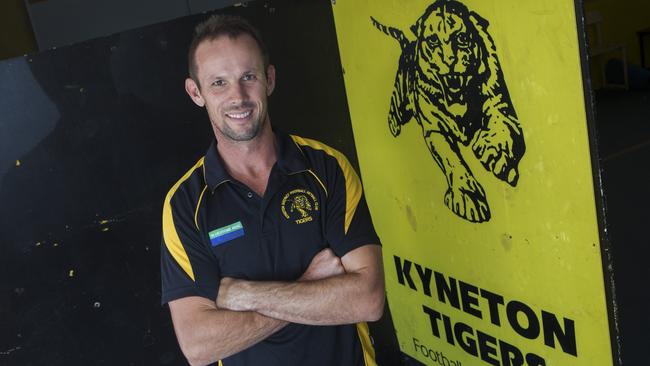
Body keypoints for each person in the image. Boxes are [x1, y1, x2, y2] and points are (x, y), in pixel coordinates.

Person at [160, 14, 385, 366]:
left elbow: (368, 299)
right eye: (218, 82)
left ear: (269, 79)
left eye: (248, 76)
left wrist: (243, 294)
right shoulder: (186, 205)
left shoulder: (327, 169)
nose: (238, 96)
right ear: (196, 92)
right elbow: (198, 345)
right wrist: (310, 283)